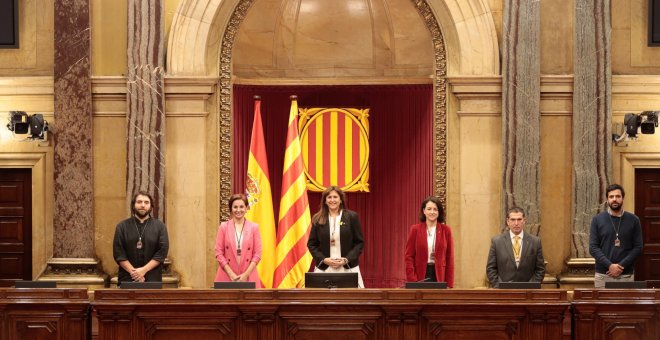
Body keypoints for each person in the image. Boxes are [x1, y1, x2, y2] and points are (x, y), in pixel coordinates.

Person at [307, 186, 365, 288]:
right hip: (325, 268)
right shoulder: (317, 218)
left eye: (335, 197)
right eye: (329, 197)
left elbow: (359, 243)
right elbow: (311, 244)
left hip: (348, 267)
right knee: (320, 300)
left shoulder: (352, 217)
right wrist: (324, 259)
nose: (332, 200)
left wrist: (346, 259)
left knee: (353, 301)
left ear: (341, 200)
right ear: (325, 201)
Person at [589, 184, 643, 288]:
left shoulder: (634, 220)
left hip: (625, 274)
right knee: (602, 305)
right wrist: (610, 266)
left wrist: (620, 266)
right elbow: (593, 247)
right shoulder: (597, 220)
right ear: (607, 199)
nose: (615, 199)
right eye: (611, 196)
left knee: (625, 304)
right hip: (603, 275)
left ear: (623, 198)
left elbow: (638, 247)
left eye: (618, 196)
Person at [113, 191, 169, 285]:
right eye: (139, 202)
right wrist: (135, 273)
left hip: (152, 278)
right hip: (127, 278)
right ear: (133, 205)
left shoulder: (160, 227)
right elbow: (119, 253)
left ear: (151, 206)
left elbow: (162, 253)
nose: (143, 205)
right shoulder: (122, 227)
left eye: (146, 202)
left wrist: (143, 270)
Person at [486, 207, 545, 288]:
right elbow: (491, 269)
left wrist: (532, 286)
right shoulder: (497, 242)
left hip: (528, 292)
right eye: (513, 220)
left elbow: (540, 269)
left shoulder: (535, 242)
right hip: (503, 291)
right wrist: (498, 286)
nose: (516, 223)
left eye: (519, 219)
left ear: (524, 221)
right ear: (508, 221)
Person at [405, 196, 454, 287]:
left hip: (439, 275)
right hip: (420, 275)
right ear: (424, 211)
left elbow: (449, 258)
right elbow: (409, 256)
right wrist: (412, 279)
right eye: (429, 209)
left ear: (439, 212)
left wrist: (449, 283)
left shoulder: (446, 230)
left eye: (435, 209)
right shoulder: (415, 229)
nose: (432, 212)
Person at [215, 194, 262, 287]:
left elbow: (257, 254)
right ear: (231, 209)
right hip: (226, 276)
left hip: (249, 276)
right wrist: (231, 274)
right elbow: (218, 253)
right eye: (235, 207)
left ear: (246, 208)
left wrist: (245, 275)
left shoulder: (254, 227)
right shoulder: (223, 227)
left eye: (241, 207)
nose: (238, 210)